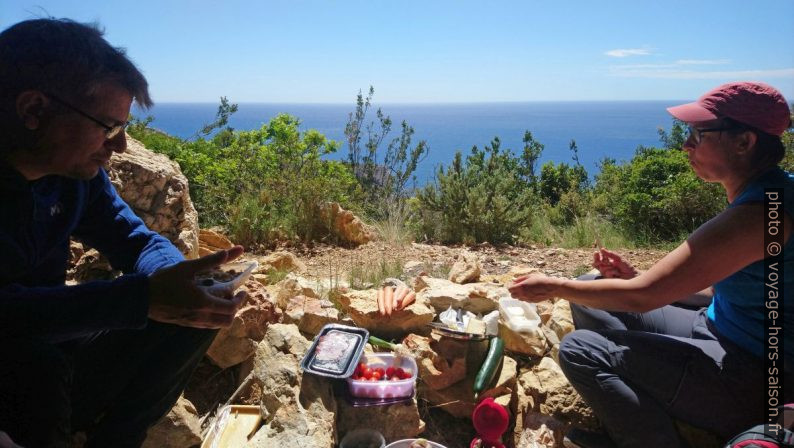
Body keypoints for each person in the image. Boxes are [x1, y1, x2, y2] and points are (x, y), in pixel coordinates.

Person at [0, 18, 247, 447]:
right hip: (18, 371)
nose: (120, 146)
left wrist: (179, 282)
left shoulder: (71, 176)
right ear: (33, 110)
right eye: (108, 126)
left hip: (52, 352)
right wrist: (142, 299)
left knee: (197, 313)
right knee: (36, 365)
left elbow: (134, 238)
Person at [508, 81, 793, 448]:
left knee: (580, 349)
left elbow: (642, 298)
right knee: (588, 293)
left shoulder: (760, 215)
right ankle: (646, 409)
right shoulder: (770, 193)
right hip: (722, 329)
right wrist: (636, 278)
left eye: (698, 134)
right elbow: (723, 285)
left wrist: (553, 286)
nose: (686, 144)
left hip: (751, 377)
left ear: (744, 142)